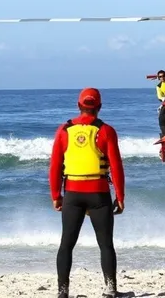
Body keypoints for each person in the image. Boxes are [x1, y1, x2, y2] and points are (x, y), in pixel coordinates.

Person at [49, 88, 125, 298]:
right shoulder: (106, 131)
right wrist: (120, 196)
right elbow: (116, 167)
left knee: (66, 245)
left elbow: (55, 166)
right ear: (99, 107)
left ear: (78, 105)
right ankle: (110, 290)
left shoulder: (64, 130)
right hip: (99, 195)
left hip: (73, 195)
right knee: (106, 244)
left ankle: (62, 292)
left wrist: (56, 195)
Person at [156, 70, 165, 142]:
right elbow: (159, 96)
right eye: (160, 77)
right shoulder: (159, 86)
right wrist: (164, 99)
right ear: (158, 78)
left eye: (163, 76)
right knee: (161, 117)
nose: (162, 78)